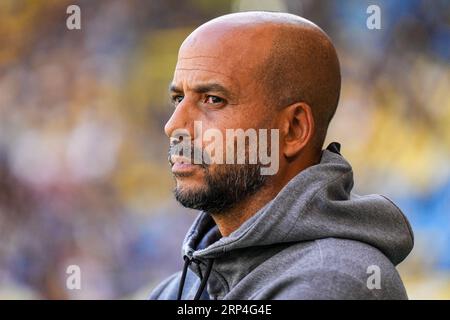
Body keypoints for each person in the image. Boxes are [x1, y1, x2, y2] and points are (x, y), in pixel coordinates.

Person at [149, 11, 414, 300]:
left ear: (293, 130)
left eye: (213, 100)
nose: (173, 125)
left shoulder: (335, 281)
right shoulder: (177, 290)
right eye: (178, 99)